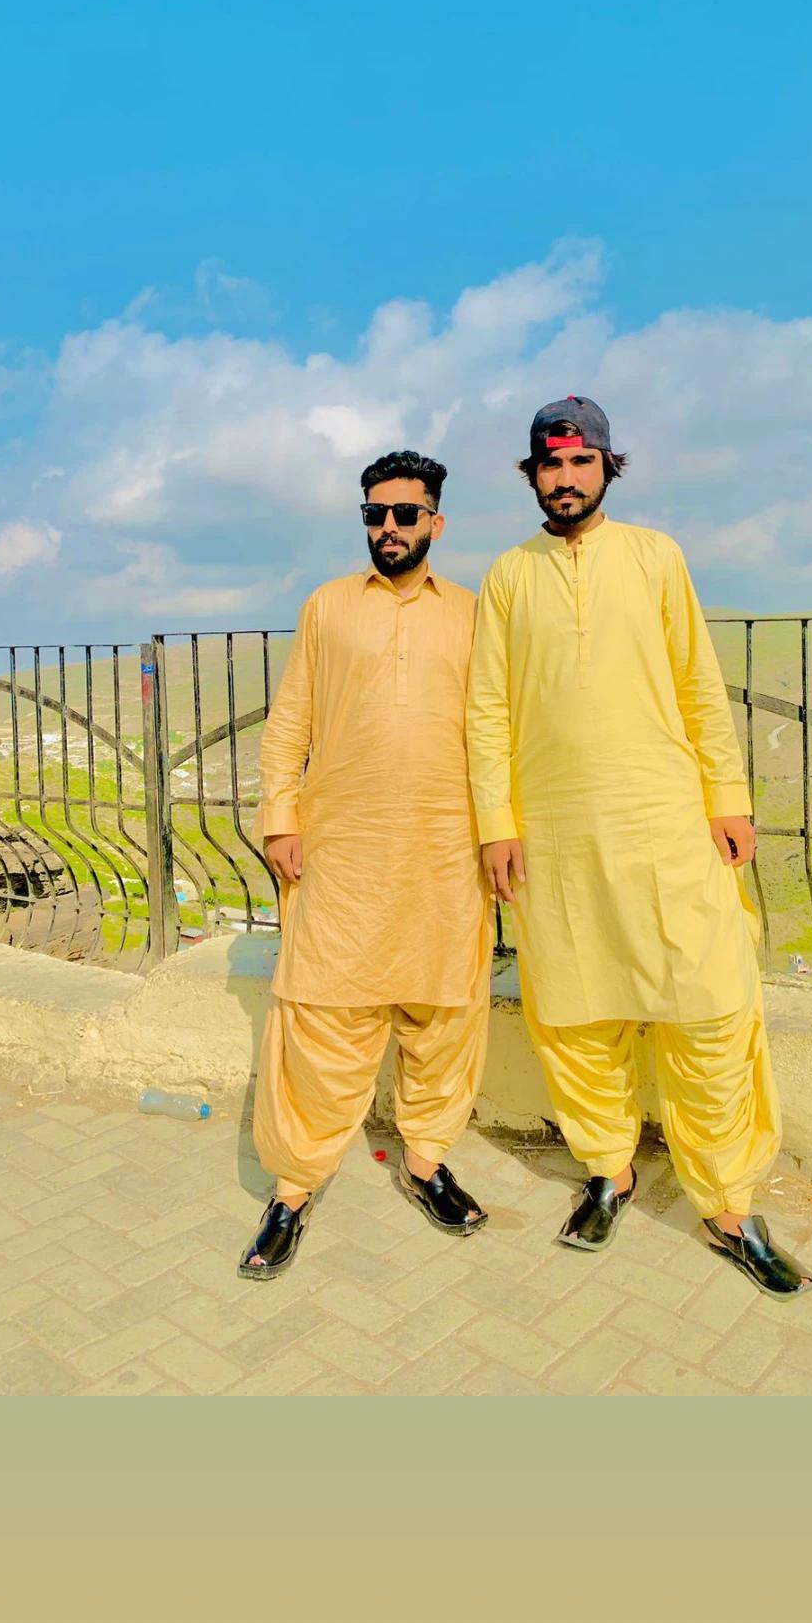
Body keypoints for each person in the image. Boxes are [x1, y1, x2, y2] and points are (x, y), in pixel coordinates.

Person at [465, 396, 812, 1299]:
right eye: (551, 464)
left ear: (606, 467)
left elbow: (698, 683)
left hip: (665, 820)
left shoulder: (656, 556)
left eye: (581, 462)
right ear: (532, 474)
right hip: (555, 834)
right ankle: (608, 1171)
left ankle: (728, 1205)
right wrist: (497, 822)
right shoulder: (508, 576)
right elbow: (488, 708)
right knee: (574, 1013)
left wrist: (728, 798)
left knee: (709, 1005)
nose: (565, 478)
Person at [239, 450, 493, 1279]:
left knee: (443, 1012)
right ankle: (293, 1187)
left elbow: (497, 733)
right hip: (343, 848)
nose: (388, 527)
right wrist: (282, 819)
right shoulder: (328, 606)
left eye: (404, 514)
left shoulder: (474, 613)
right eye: (374, 514)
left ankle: (425, 1162)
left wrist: (500, 834)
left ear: (435, 523)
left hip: (445, 847)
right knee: (320, 1012)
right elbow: (290, 723)